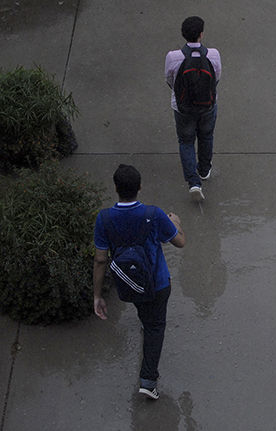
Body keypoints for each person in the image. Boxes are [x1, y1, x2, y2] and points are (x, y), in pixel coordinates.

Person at [93, 164, 186, 400]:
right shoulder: (154, 215)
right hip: (157, 284)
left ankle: (146, 320)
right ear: (140, 187)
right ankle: (148, 380)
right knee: (156, 328)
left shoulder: (104, 219)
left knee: (144, 310)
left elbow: (100, 260)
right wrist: (175, 222)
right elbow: (180, 242)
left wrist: (97, 295)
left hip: (128, 285)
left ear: (116, 188)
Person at [165, 16, 222, 201]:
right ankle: (204, 169)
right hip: (207, 106)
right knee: (206, 135)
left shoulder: (173, 57)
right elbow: (216, 78)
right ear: (201, 34)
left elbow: (170, 80)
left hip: (183, 108)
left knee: (186, 141)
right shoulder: (213, 54)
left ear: (183, 34)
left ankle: (194, 183)